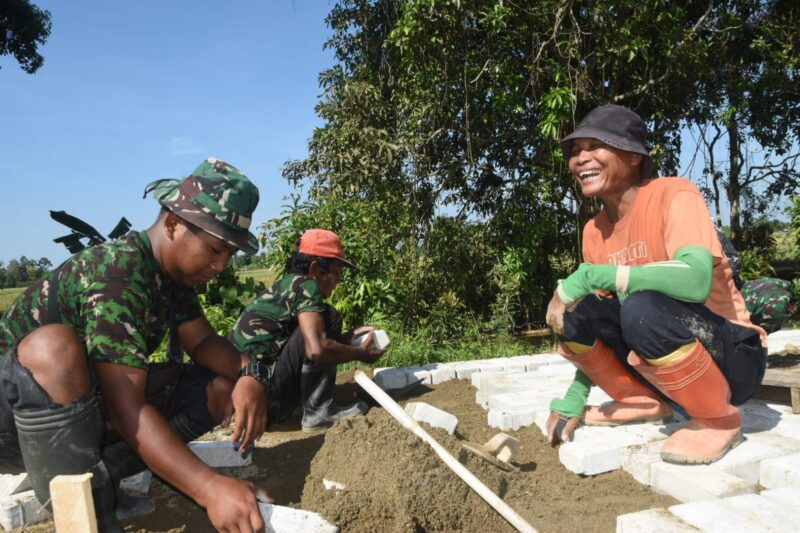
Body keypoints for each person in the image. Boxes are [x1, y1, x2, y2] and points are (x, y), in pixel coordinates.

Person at [0, 158, 270, 532]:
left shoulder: (174, 275)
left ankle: (102, 480)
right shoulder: (118, 274)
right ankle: (90, 510)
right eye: (215, 249)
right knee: (54, 347)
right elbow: (125, 408)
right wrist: (209, 487)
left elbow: (204, 340)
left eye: (230, 254)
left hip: (85, 411)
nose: (221, 265)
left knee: (220, 389)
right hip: (15, 421)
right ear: (174, 224)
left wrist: (252, 374)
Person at [544, 105, 767, 465]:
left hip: (733, 357)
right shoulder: (594, 231)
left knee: (642, 307)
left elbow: (696, 281)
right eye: (574, 150)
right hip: (660, 364)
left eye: (594, 146)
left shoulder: (674, 194)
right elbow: (599, 323)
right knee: (576, 311)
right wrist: (576, 392)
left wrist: (596, 275)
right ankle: (640, 400)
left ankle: (718, 418)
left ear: (633, 156)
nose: (580, 158)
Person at [230, 228, 386, 433]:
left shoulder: (288, 284)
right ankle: (318, 412)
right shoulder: (307, 286)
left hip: (248, 398)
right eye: (336, 271)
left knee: (323, 322)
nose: (338, 279)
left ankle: (308, 404)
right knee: (329, 316)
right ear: (315, 269)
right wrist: (360, 353)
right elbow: (316, 350)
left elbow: (300, 344)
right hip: (267, 403)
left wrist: (348, 338)